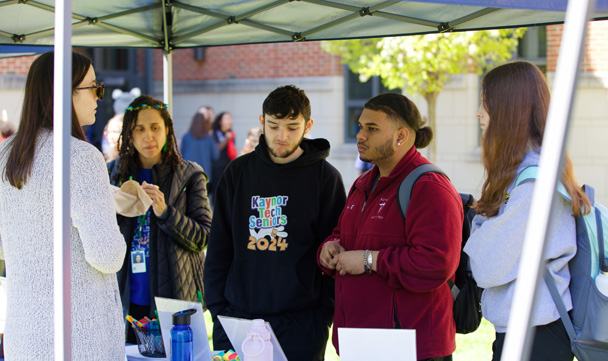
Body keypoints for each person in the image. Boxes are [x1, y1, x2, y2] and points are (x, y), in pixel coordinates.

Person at [204, 85, 346, 361]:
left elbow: (334, 255)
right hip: (236, 320)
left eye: (293, 127)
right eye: (274, 126)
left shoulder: (325, 178)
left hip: (301, 327)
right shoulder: (237, 172)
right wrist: (218, 310)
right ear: (262, 122)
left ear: (308, 126)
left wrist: (321, 319)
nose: (282, 136)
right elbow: (219, 246)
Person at [0, 50, 126, 360]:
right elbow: (108, 255)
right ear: (64, 92)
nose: (99, 96)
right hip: (77, 337)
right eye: (94, 87)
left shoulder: (5, 154)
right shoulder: (80, 157)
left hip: (22, 333)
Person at [318, 93, 463, 360]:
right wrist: (331, 246)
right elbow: (347, 235)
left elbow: (437, 263)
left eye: (372, 129)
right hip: (360, 342)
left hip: (411, 347)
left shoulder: (429, 186)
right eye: (360, 126)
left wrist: (368, 260)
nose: (360, 135)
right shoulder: (362, 184)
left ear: (401, 136)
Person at [463, 61, 590, 361]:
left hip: (536, 335)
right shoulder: (529, 172)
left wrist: (482, 223)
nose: (478, 113)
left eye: (485, 103)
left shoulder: (535, 183)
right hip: (529, 329)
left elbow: (484, 265)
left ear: (510, 110)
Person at [107, 94, 212, 344]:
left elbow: (203, 237)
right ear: (129, 135)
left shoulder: (190, 175)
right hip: (123, 298)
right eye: (140, 129)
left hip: (175, 299)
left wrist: (166, 213)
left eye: (155, 127)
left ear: (167, 130)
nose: (149, 136)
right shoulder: (112, 174)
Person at [180, 106, 219, 184]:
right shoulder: (208, 138)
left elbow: (181, 153)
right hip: (204, 175)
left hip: (188, 174)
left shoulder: (186, 136)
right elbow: (216, 155)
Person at [210, 111, 236, 192]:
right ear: (220, 122)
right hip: (217, 167)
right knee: (218, 190)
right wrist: (226, 139)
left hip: (228, 165)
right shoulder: (214, 133)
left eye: (230, 119)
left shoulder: (231, 133)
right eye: (227, 119)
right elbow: (217, 149)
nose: (230, 121)